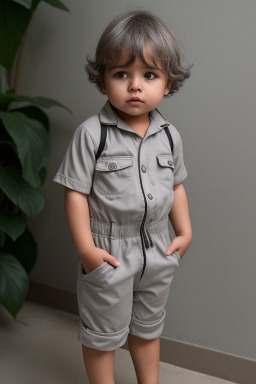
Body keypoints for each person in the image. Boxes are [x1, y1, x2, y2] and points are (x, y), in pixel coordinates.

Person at [54, 10, 192, 384]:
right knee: (103, 335)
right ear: (103, 80)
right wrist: (86, 250)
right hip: (110, 251)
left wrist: (185, 233)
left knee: (148, 328)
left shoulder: (169, 136)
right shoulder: (91, 134)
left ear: (167, 83)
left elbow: (176, 184)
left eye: (148, 75)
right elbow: (75, 193)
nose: (135, 86)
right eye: (121, 74)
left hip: (159, 248)